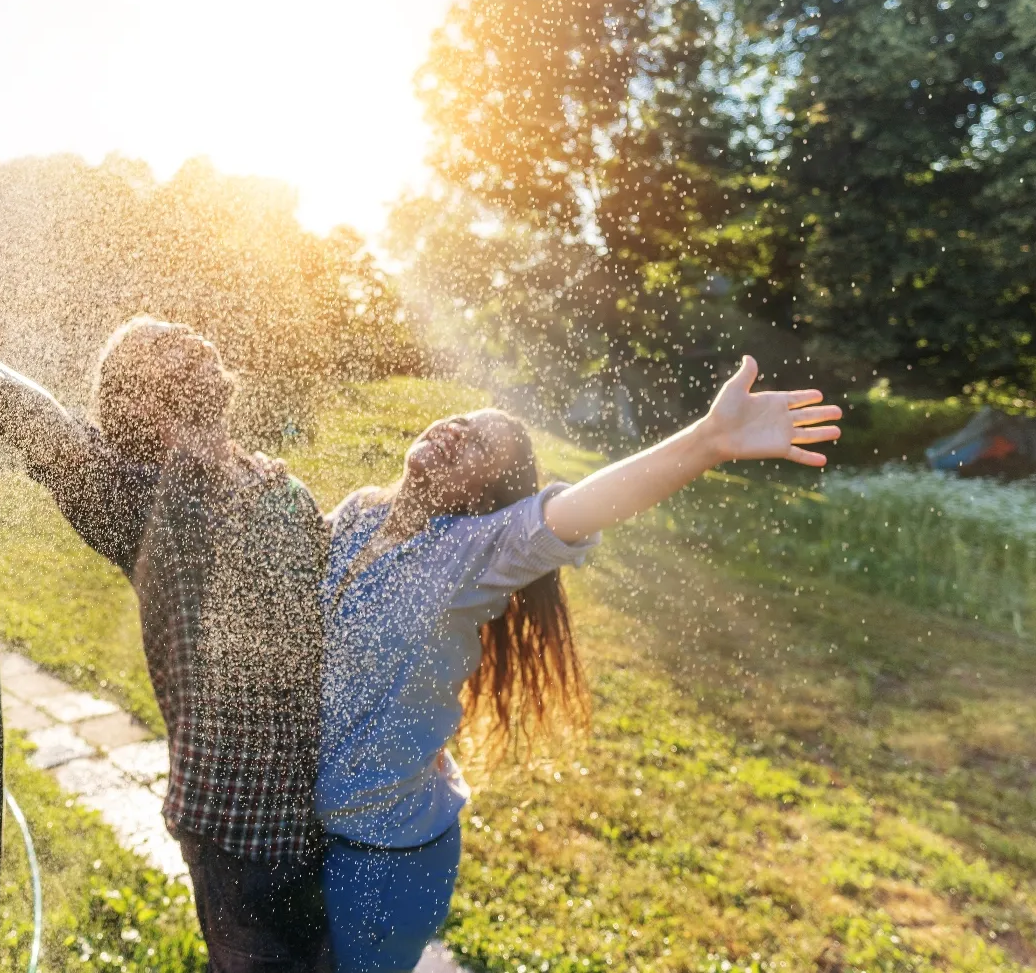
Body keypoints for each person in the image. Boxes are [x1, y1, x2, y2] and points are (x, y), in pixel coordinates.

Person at [316, 356, 842, 972]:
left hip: (388, 854)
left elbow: (583, 506)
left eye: (481, 442)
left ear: (490, 499)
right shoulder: (357, 512)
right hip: (310, 822)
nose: (455, 429)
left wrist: (707, 442)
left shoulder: (477, 550)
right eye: (458, 419)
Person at [0, 290, 333, 973]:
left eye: (181, 331)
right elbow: (54, 435)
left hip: (327, 812)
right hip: (237, 835)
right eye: (159, 350)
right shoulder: (145, 505)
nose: (187, 338)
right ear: (137, 404)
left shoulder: (282, 489)